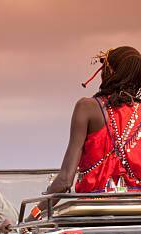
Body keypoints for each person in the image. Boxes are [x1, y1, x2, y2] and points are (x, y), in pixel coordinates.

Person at [29, 46, 141, 221]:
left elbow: (65, 181)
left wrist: (33, 215)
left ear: (110, 72)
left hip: (91, 214)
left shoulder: (87, 107)